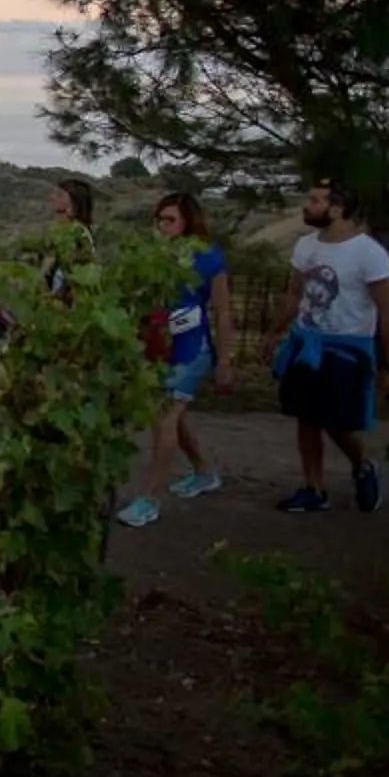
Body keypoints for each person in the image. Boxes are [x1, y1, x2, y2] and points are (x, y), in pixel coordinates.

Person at [261, 178, 389, 514]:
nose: (307, 206)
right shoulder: (306, 246)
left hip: (347, 348)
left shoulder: (369, 254)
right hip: (306, 342)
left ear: (337, 209)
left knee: (338, 422)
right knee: (306, 417)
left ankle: (363, 464)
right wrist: (274, 332)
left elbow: (387, 311)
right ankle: (314, 488)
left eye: (316, 201)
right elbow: (295, 295)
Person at [115, 193, 235, 528]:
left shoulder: (209, 257)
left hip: (192, 349)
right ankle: (203, 471)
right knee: (172, 415)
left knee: (165, 417)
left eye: (170, 220)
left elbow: (223, 311)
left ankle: (150, 499)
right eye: (159, 219)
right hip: (159, 347)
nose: (163, 226)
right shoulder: (154, 256)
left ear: (188, 221)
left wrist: (225, 359)